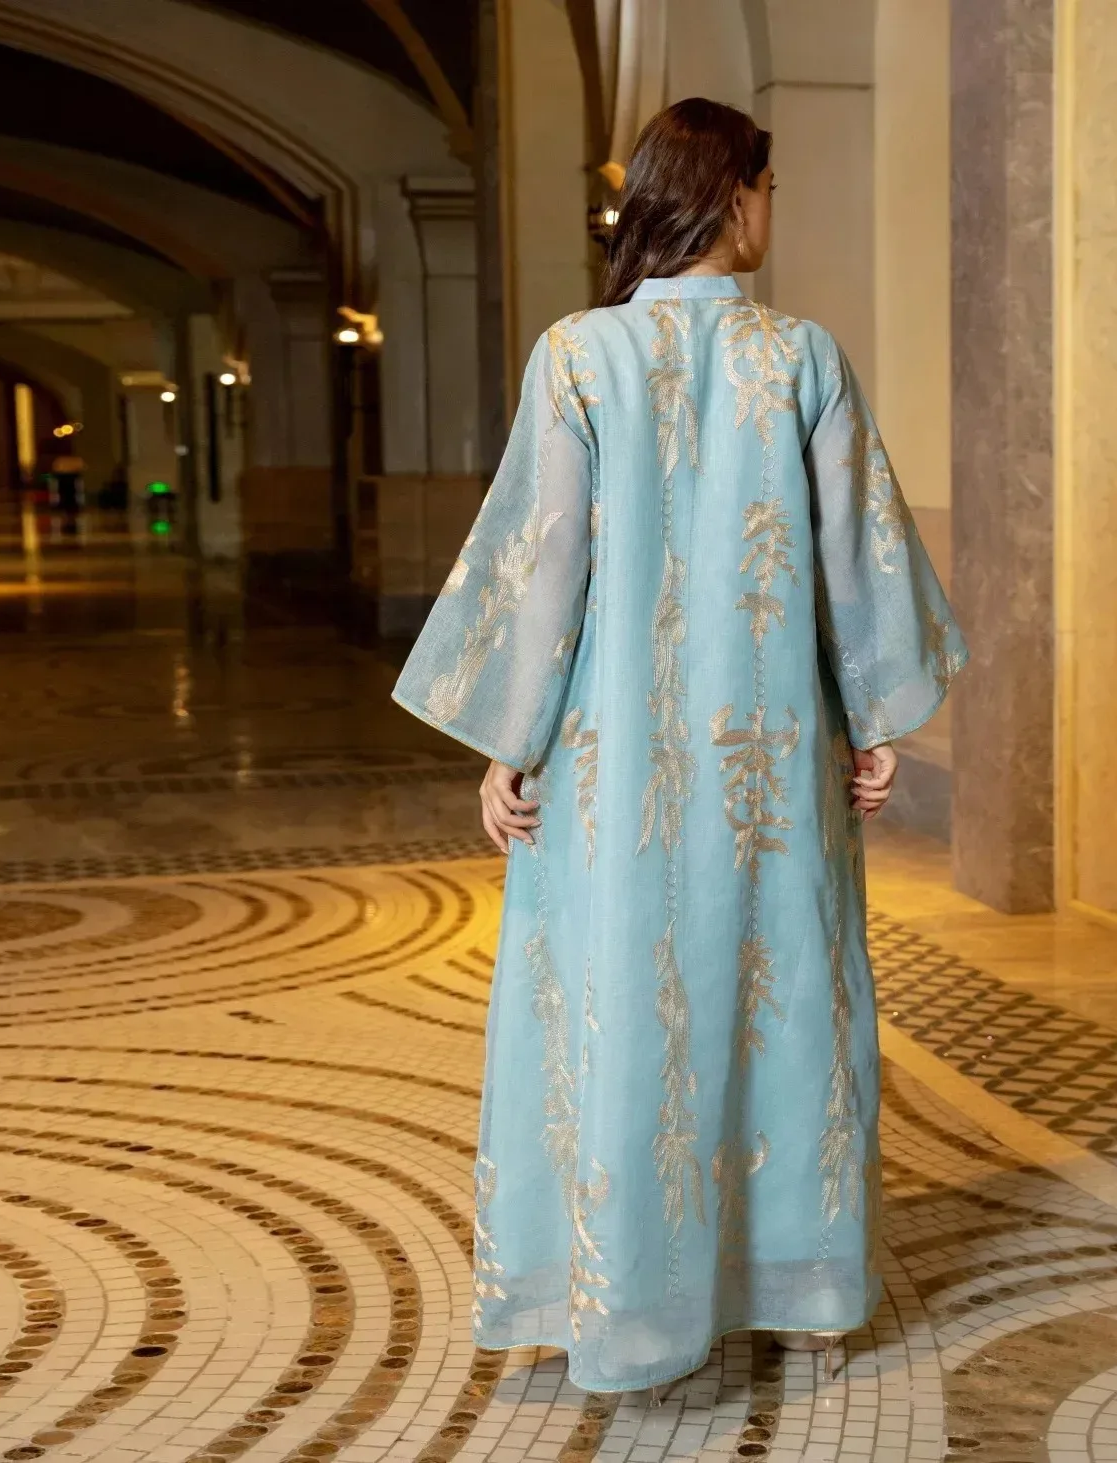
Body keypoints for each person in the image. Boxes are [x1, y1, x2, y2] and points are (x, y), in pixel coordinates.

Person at [393, 97, 968, 1394]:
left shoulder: (576, 356)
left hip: (611, 767)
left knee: (618, 999)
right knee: (783, 993)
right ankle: (802, 1293)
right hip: (771, 759)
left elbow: (546, 565)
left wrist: (511, 742)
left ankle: (610, 1291)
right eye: (768, 190)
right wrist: (872, 717)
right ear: (733, 195)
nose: (772, 213)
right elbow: (850, 557)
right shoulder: (801, 357)